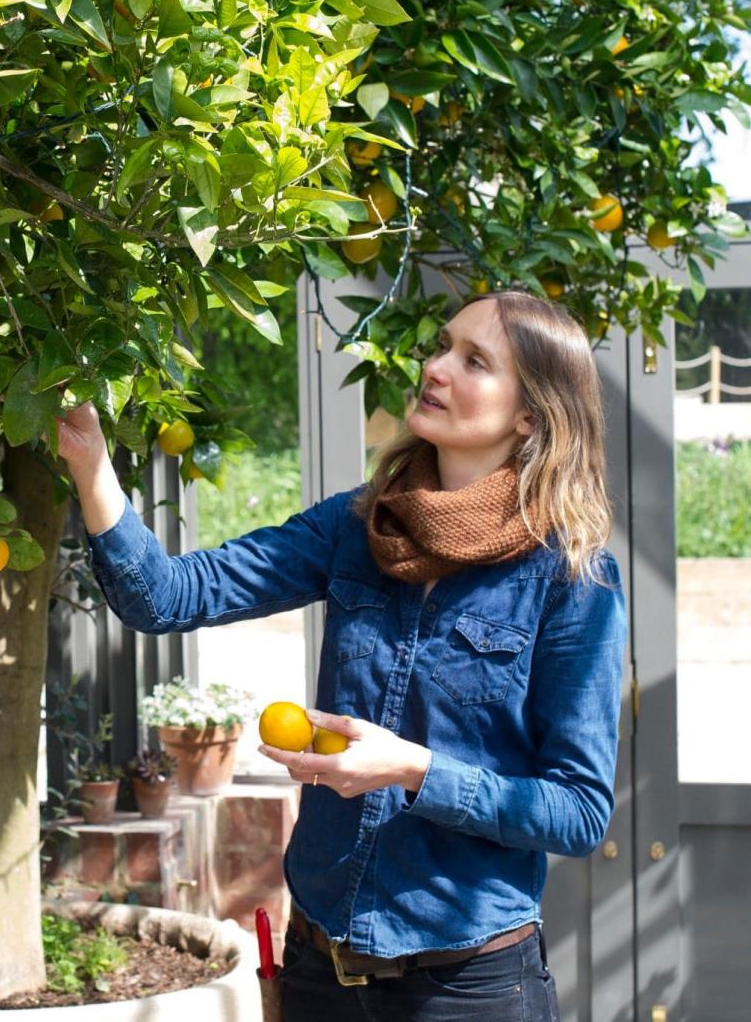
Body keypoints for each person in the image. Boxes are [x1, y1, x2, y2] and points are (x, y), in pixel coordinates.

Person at [53, 288, 626, 1021]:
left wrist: (413, 769)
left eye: (474, 360)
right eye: (444, 345)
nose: (437, 367)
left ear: (529, 415)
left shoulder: (571, 576)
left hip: (467, 989)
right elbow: (165, 597)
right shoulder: (357, 525)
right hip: (321, 969)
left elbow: (577, 811)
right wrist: (90, 460)